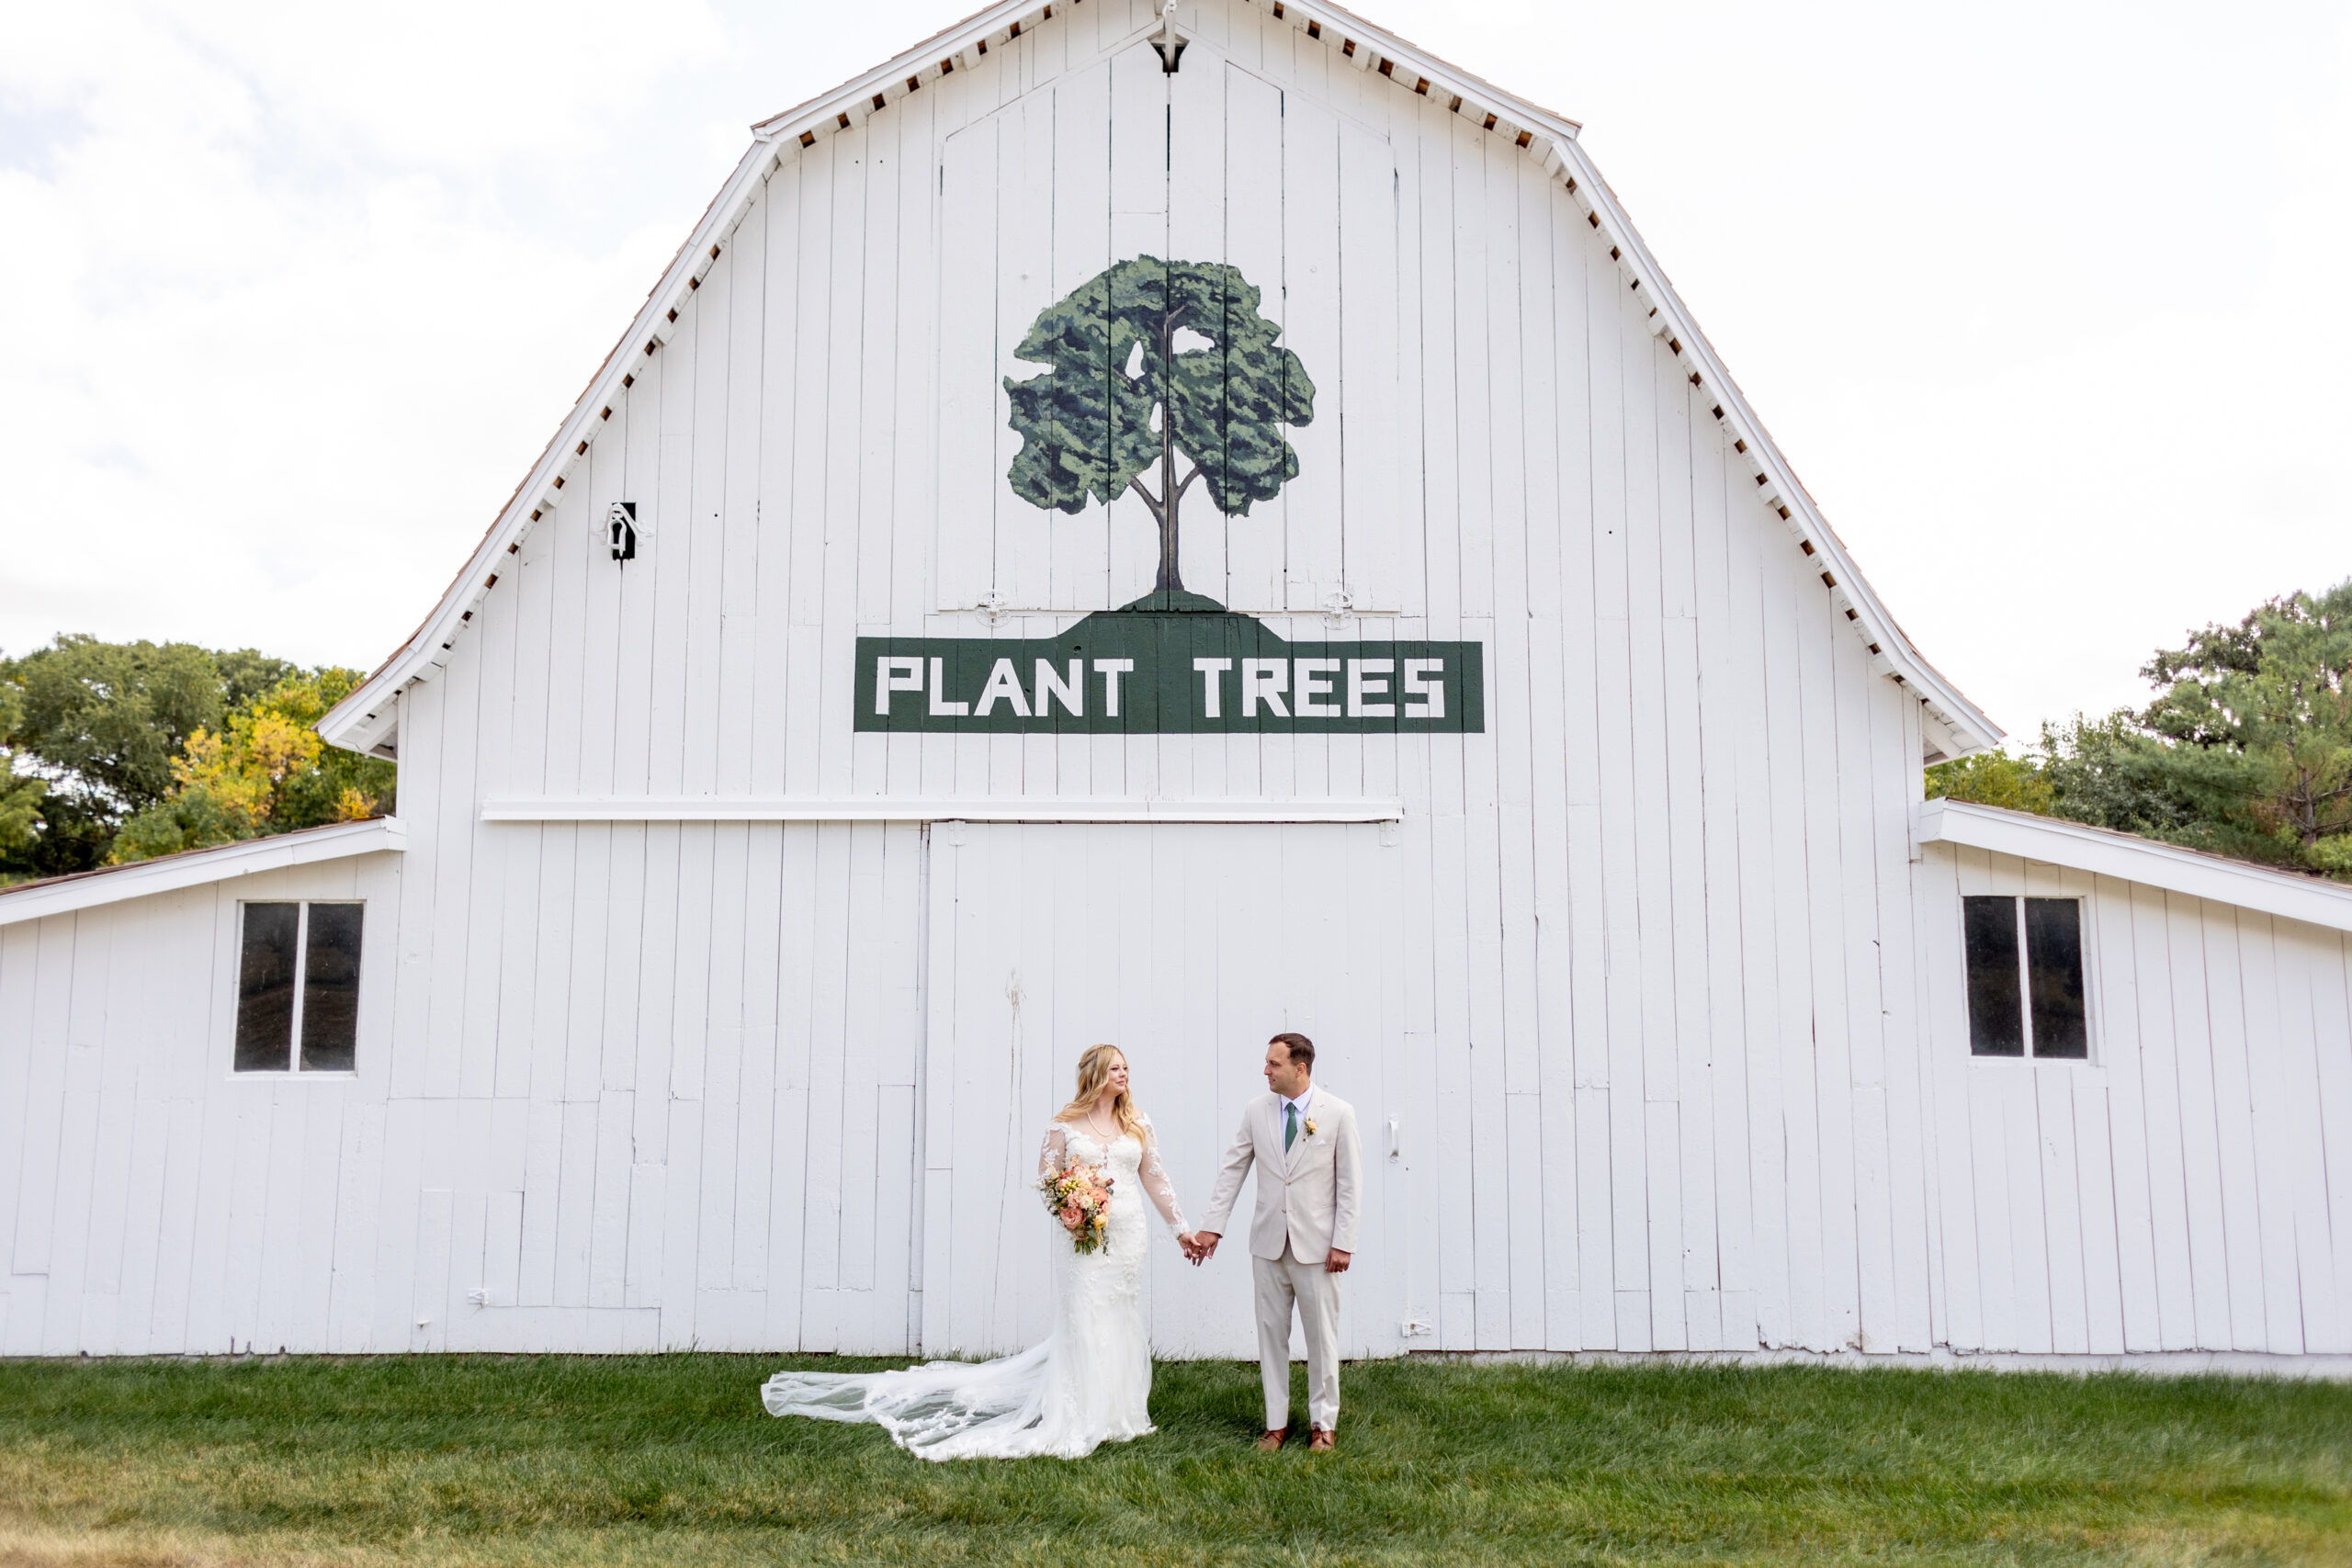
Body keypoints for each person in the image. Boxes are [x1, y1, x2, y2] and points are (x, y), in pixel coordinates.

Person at [761, 1043, 1202, 1460]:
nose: (1123, 1073)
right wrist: (1075, 1206)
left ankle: (1119, 1414)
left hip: (1128, 1233)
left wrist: (1181, 1229)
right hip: (1082, 1237)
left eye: (1125, 1067)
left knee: (1120, 1315)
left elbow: (1155, 1179)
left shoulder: (1138, 1124)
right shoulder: (1063, 1125)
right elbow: (1047, 1182)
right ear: (1094, 1076)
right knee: (1084, 1315)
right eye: (1114, 1067)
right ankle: (1080, 1412)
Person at [1192, 1032, 1363, 1452]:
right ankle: (1275, 1424)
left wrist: (1343, 1242)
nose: (1265, 1071)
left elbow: (1350, 1186)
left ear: (1300, 1068)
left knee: (1322, 1337)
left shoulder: (1338, 1113)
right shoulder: (1257, 1111)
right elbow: (1234, 1169)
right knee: (1271, 1335)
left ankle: (1323, 1425)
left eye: (1274, 1064)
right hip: (1267, 1245)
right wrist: (1213, 1225)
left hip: (1318, 1250)